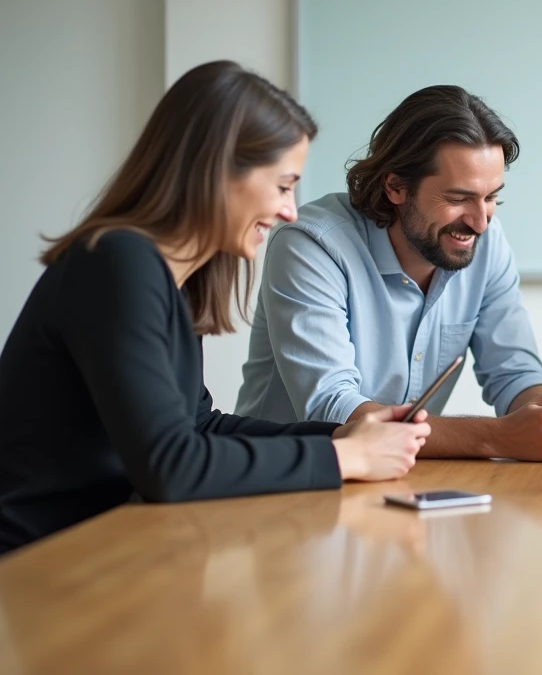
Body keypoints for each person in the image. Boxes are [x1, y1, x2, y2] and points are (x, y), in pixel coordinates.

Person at [0, 61, 431, 553]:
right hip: (35, 562)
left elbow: (199, 425)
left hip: (102, 548)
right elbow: (171, 465)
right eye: (283, 185)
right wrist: (346, 459)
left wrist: (343, 434)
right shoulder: (116, 263)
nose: (290, 210)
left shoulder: (171, 279)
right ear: (219, 171)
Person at [235, 85, 542, 460]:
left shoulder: (486, 242)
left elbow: (514, 372)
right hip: (287, 478)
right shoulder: (311, 245)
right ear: (396, 187)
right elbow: (334, 408)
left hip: (406, 476)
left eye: (491, 197)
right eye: (458, 198)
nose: (480, 222)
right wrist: (499, 437)